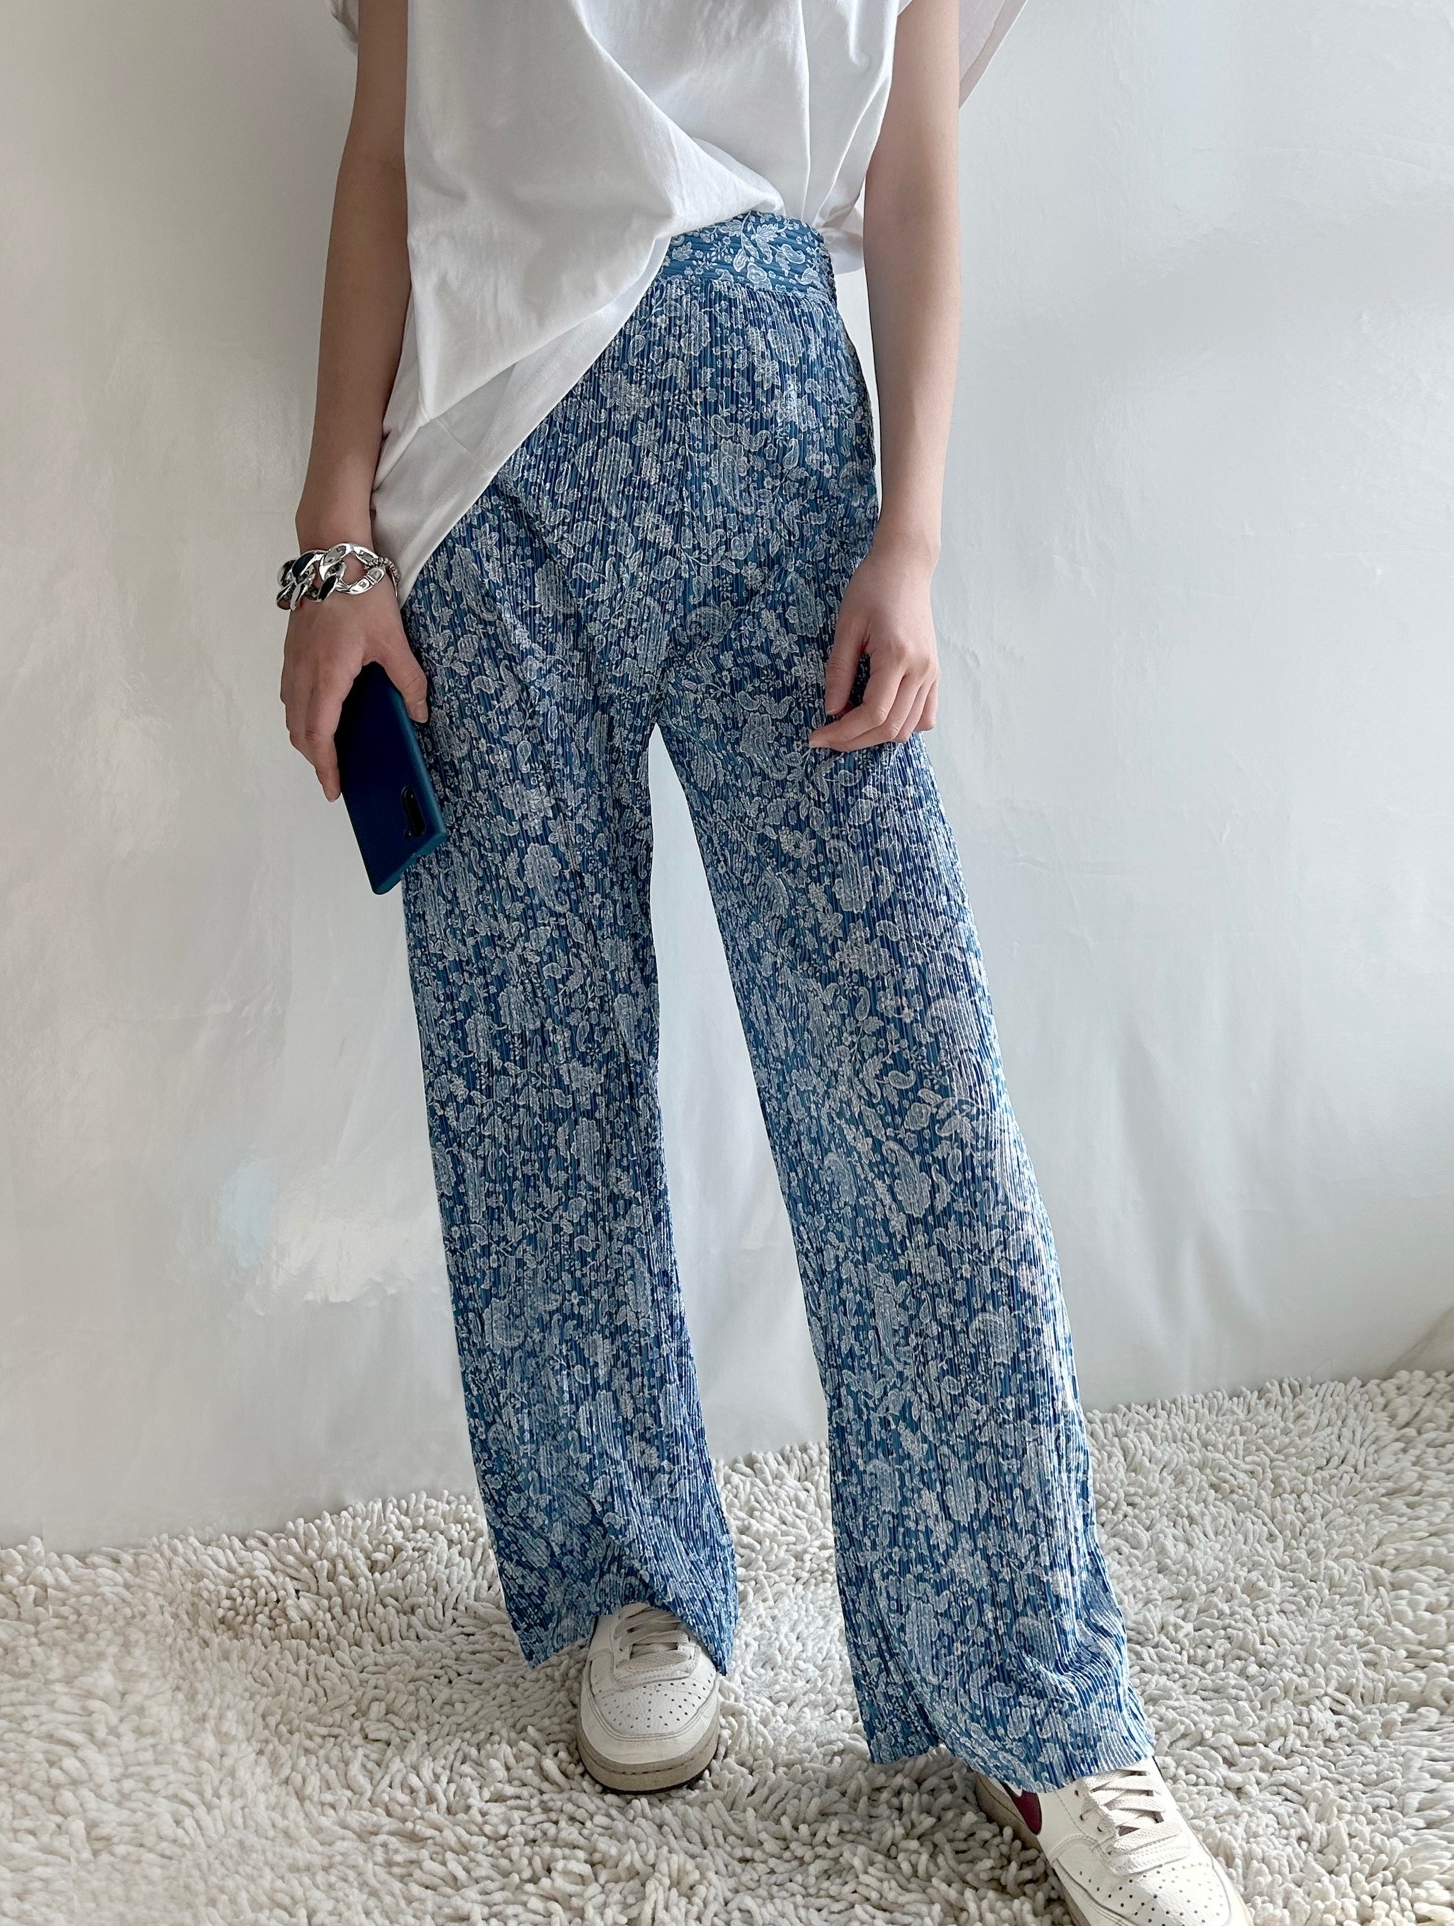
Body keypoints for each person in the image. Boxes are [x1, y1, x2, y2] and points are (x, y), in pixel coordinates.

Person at [278, 4, 1253, 1922]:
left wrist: (910, 534)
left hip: (775, 436)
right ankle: (626, 1576)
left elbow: (909, 162)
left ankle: (1043, 1705)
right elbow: (389, 148)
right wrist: (331, 548)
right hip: (477, 487)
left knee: (906, 1090)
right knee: (532, 1071)